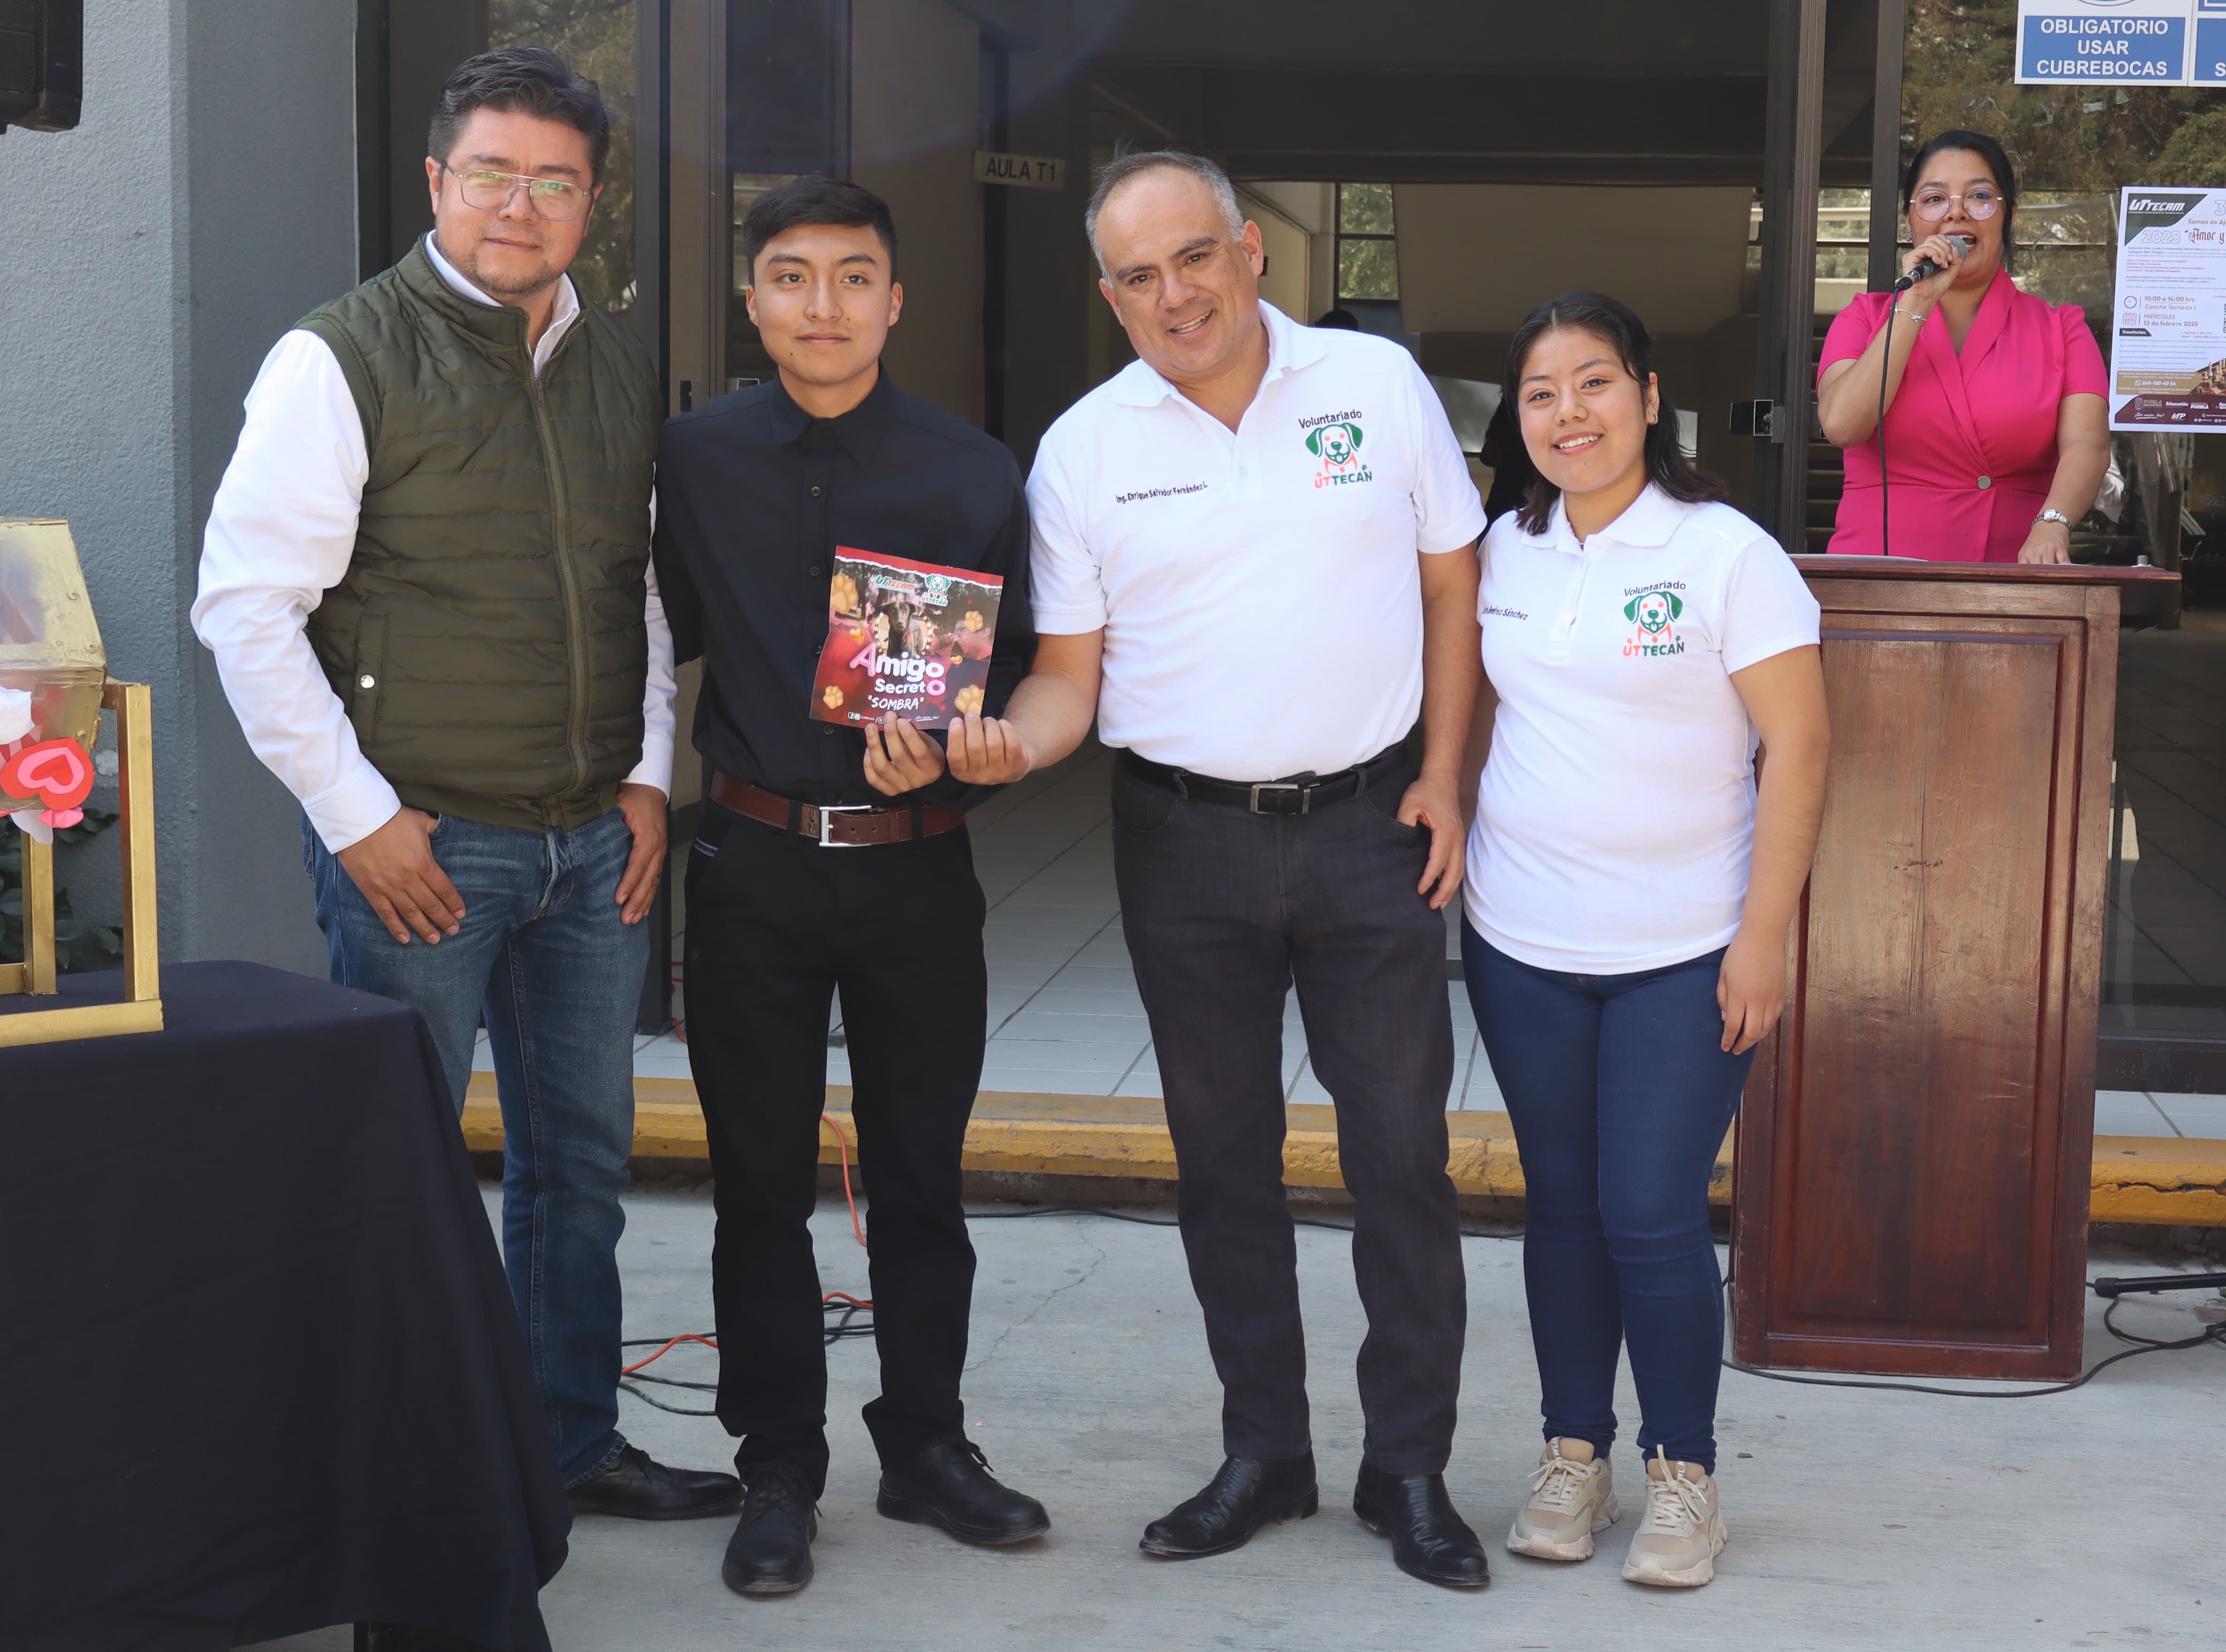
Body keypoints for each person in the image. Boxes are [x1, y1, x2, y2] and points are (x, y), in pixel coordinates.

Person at [193, 47, 738, 1518]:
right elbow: (246, 610)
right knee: (394, 1170)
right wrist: (358, 821)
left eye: (555, 181)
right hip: (423, 845)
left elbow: (634, 590)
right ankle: (391, 1482)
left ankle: (566, 1450)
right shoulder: (342, 356)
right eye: (491, 172)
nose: (520, 204)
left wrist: (647, 775)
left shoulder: (615, 360)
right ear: (438, 180)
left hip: (590, 847)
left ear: (592, 203)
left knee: (581, 1171)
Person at [946, 149, 1490, 1588]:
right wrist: (1005, 745)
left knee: (1401, 1155)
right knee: (1223, 1161)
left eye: (1194, 256)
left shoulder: (1375, 386)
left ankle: (1409, 1464)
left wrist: (1446, 773)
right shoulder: (1082, 450)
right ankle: (1267, 1451)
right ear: (1111, 295)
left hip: (1371, 826)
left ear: (1250, 251)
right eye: (1138, 274)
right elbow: (1070, 679)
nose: (1173, 293)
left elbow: (1453, 581)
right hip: (1183, 841)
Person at [651, 176, 1048, 1600]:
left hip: (915, 868)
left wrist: (968, 757)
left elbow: (1019, 680)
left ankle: (927, 1443)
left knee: (921, 1177)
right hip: (750, 862)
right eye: (792, 275)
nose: (823, 304)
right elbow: (647, 640)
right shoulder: (691, 460)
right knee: (758, 1184)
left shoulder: (973, 475)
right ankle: (778, 1466)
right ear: (753, 297)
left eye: (854, 276)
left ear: (895, 299)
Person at [1460, 292, 1828, 1588]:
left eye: (1594, 382)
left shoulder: (1725, 552)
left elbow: (1800, 748)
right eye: (1541, 393)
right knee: (1561, 1205)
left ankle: (1684, 1474)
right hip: (1520, 939)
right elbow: (1477, 718)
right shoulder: (1502, 551)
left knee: (1651, 1208)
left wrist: (1763, 937)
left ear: (1648, 395)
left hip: (1685, 945)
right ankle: (1574, 1452)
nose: (1568, 413)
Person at [1816, 128, 2108, 562]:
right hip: (1879, 578)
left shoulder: (2062, 329)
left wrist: (2053, 523)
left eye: (1980, 197)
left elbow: (2088, 446)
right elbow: (1842, 425)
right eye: (1935, 199)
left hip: (2013, 575)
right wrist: (1915, 301)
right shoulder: (1864, 318)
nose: (1957, 213)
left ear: (2009, 216)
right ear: (1910, 219)